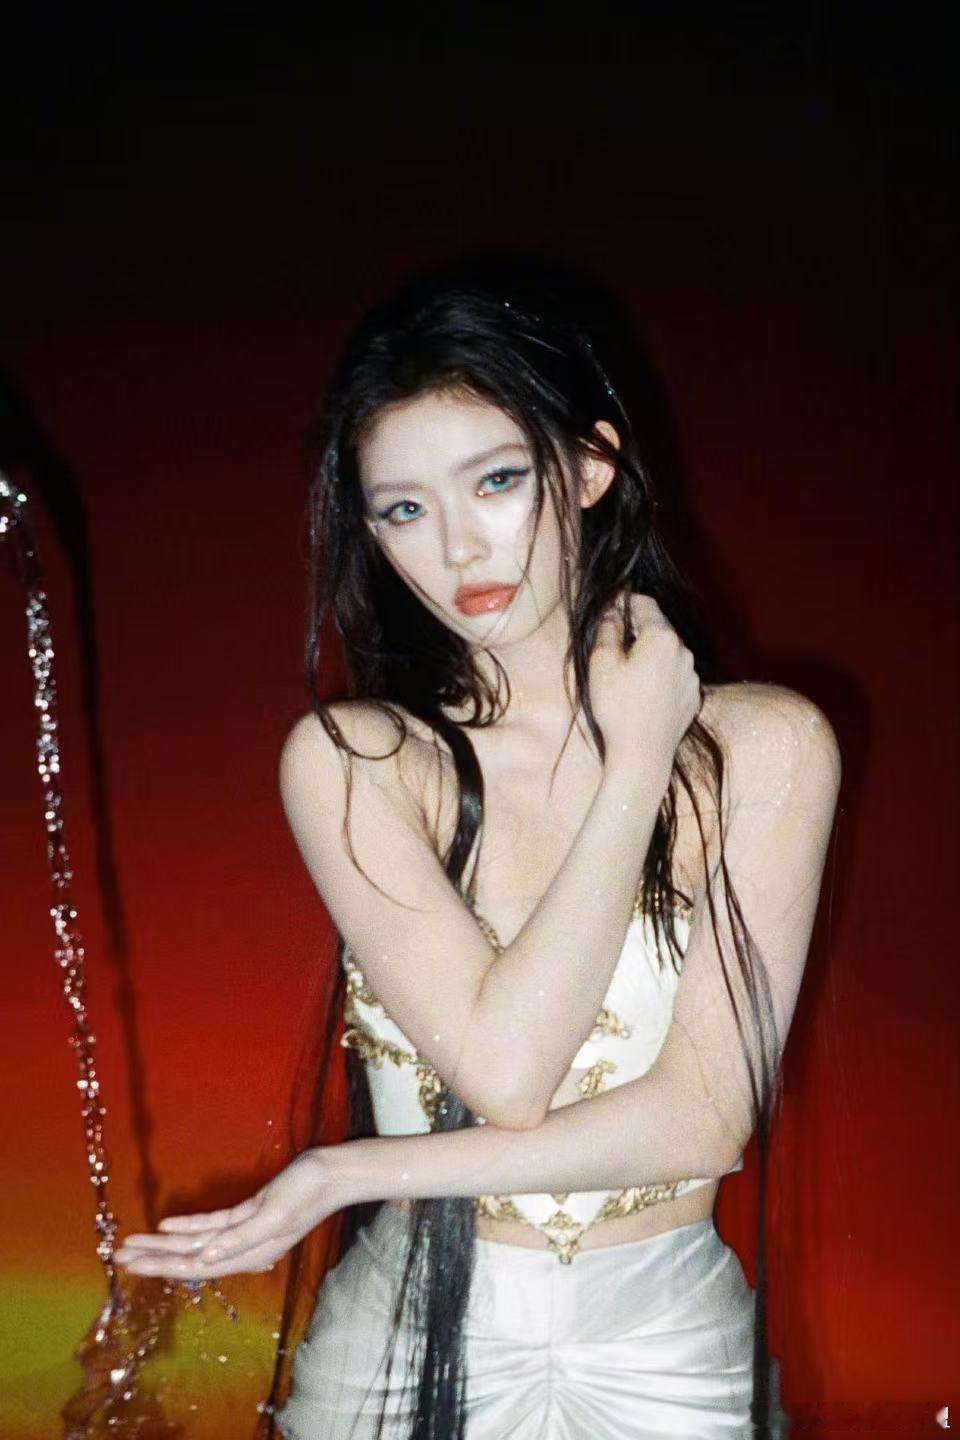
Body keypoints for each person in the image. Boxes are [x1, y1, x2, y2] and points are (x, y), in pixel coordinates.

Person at [115, 264, 841, 1439]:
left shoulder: (768, 747)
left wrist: (350, 1172)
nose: (457, 547)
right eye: (402, 509)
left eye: (497, 480)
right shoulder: (359, 762)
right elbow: (507, 1070)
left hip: (668, 1345)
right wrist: (636, 762)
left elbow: (706, 1117)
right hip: (406, 1349)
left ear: (591, 467)